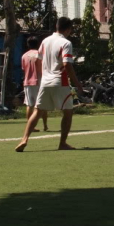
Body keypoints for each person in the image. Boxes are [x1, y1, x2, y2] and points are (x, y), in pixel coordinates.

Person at [15, 17, 84, 152]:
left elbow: (37, 61)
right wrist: (78, 85)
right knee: (68, 112)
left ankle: (24, 139)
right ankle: (62, 143)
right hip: (60, 81)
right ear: (68, 29)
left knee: (38, 111)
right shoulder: (66, 43)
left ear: (56, 26)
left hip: (45, 82)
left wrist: (45, 75)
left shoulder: (45, 41)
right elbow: (66, 64)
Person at [21, 35, 48, 132]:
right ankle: (45, 125)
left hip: (27, 82)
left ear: (28, 45)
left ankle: (30, 126)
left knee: (29, 105)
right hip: (38, 81)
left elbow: (24, 69)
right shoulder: (39, 55)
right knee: (42, 105)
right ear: (38, 44)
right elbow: (43, 69)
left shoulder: (24, 56)